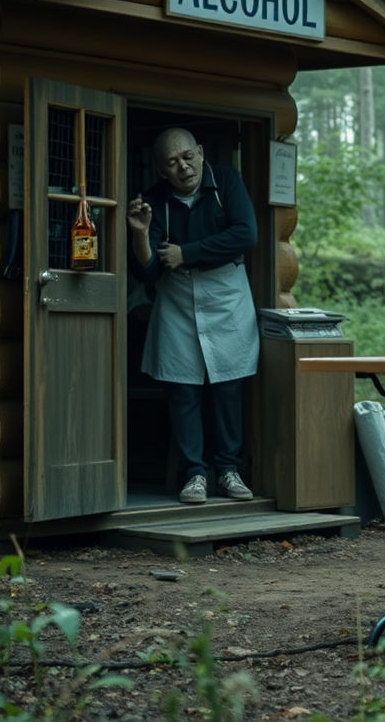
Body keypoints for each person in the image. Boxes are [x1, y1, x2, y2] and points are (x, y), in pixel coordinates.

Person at [126, 127, 260, 504]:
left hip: (226, 292)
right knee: (182, 387)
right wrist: (140, 235)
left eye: (188, 156)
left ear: (200, 152)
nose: (184, 167)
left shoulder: (227, 182)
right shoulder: (153, 202)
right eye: (172, 162)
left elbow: (245, 234)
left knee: (228, 386)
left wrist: (188, 252)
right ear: (160, 169)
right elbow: (148, 272)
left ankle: (229, 471)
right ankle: (194, 475)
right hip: (178, 298)